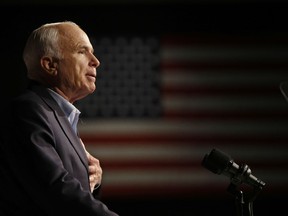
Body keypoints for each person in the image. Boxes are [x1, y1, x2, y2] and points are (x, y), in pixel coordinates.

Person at [0, 21, 119, 216]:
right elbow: (56, 190)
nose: (96, 61)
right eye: (82, 51)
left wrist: (94, 181)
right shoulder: (29, 110)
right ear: (50, 64)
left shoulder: (60, 115)